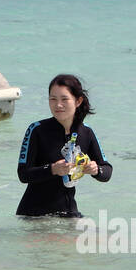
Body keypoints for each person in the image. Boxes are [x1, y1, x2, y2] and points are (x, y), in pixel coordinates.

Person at [15, 74, 112, 217]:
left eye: (64, 99)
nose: (58, 105)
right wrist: (52, 169)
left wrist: (96, 169)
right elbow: (23, 174)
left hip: (69, 213)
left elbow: (107, 171)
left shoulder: (86, 132)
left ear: (78, 101)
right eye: (53, 99)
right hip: (35, 216)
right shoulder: (36, 130)